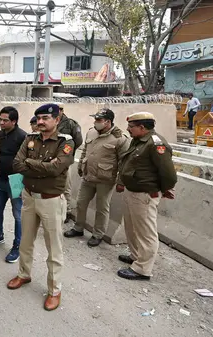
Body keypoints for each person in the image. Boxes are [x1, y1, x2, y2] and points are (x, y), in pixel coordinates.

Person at [6, 103, 74, 312]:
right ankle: (24, 274)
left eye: (46, 118)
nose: (41, 122)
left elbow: (56, 168)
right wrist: (39, 166)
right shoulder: (30, 139)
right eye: (39, 118)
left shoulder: (65, 142)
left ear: (56, 120)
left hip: (51, 200)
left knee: (54, 248)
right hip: (29, 197)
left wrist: (31, 164)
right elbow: (16, 164)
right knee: (26, 241)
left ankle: (54, 290)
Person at [116, 112, 177, 280]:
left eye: (131, 127)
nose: (128, 129)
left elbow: (169, 174)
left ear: (142, 127)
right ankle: (136, 256)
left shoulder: (155, 144)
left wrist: (163, 189)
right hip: (132, 191)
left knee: (145, 233)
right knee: (132, 228)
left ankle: (142, 269)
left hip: (144, 194)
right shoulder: (138, 141)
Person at [64, 109, 129, 247]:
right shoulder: (91, 132)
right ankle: (78, 227)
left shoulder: (120, 138)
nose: (95, 123)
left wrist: (121, 182)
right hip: (88, 176)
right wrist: (81, 166)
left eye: (99, 120)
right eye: (95, 120)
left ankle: (98, 234)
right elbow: (85, 151)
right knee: (81, 203)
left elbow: (125, 162)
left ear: (108, 122)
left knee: (102, 208)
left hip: (105, 179)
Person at [0, 107, 27, 263]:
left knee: (17, 215)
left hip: (16, 180)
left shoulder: (23, 137)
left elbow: (25, 160)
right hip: (1, 179)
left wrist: (22, 180)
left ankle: (17, 246)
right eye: (0, 119)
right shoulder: (0, 134)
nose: (1, 123)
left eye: (5, 120)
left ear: (14, 121)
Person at [56, 103, 83, 223]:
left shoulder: (71, 124)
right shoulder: (51, 122)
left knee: (66, 186)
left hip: (65, 160)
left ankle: (66, 211)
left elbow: (78, 141)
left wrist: (68, 153)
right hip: (53, 159)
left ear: (62, 110)